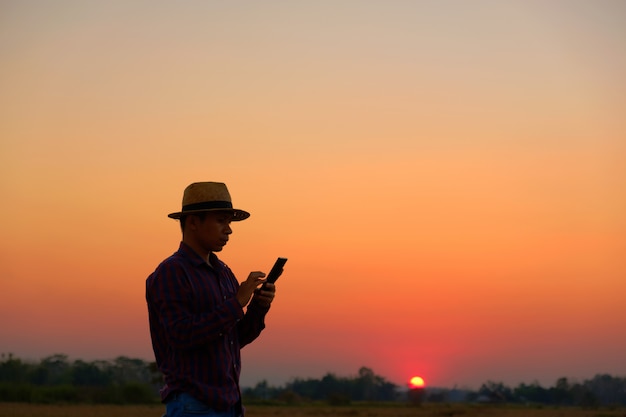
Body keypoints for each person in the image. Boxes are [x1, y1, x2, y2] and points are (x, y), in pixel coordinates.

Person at [146, 182, 278, 417]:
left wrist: (258, 307)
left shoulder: (224, 273)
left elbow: (234, 338)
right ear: (193, 222)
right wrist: (236, 303)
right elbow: (180, 335)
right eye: (220, 221)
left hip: (229, 404)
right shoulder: (172, 272)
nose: (228, 230)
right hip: (194, 406)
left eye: (229, 222)